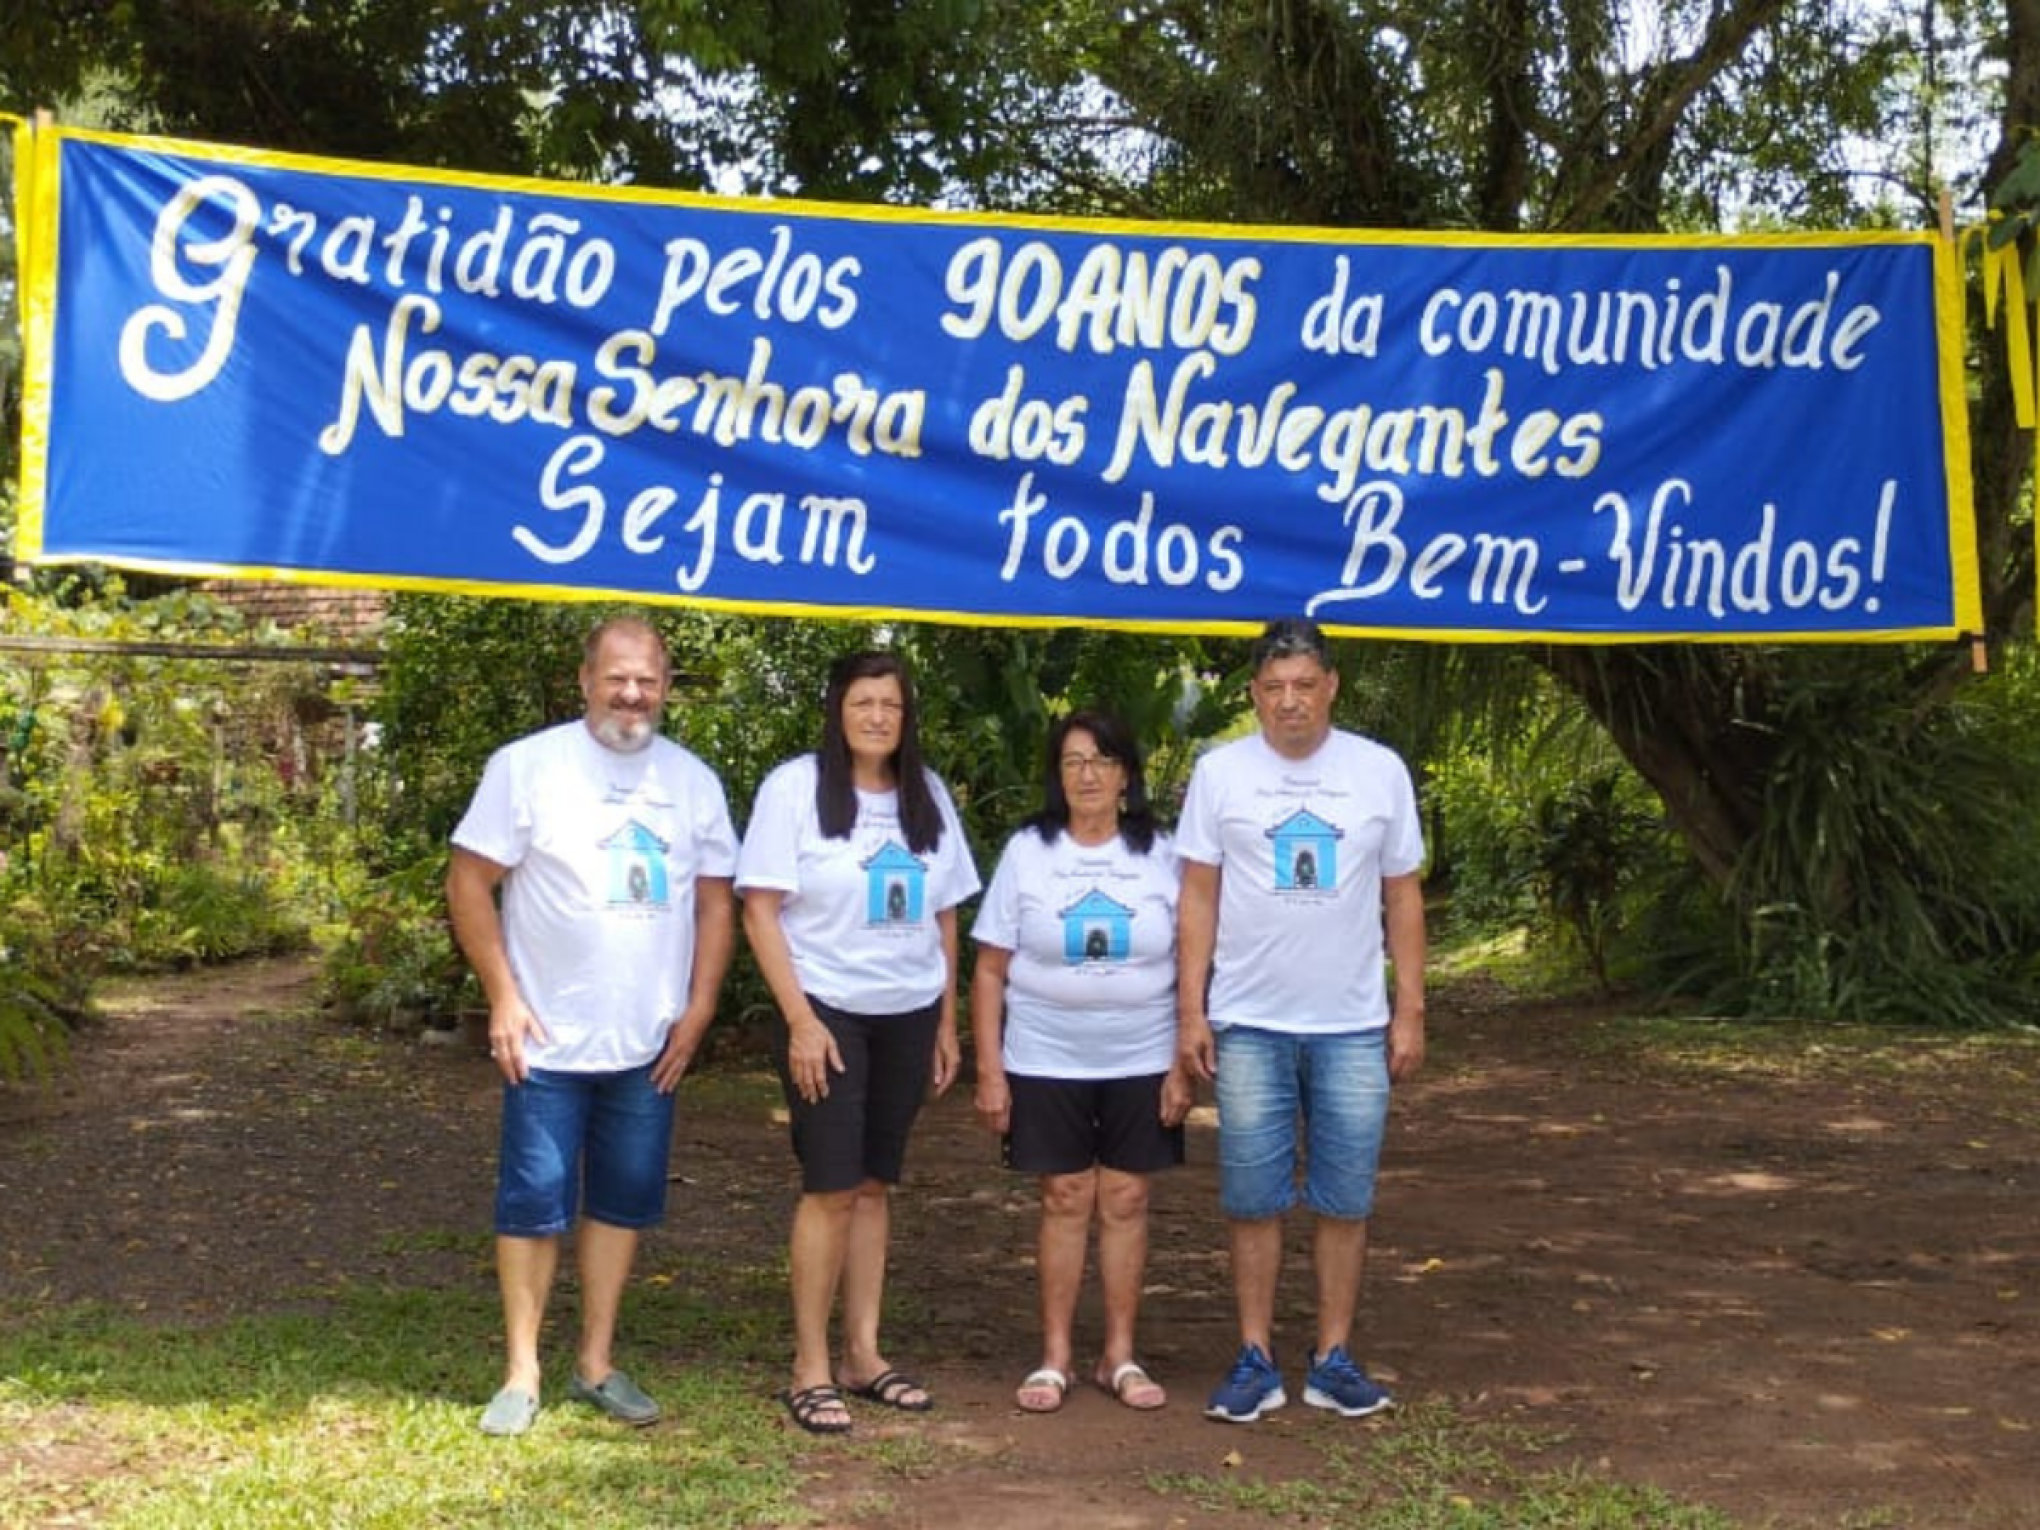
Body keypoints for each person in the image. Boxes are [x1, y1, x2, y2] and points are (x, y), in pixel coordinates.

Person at [446, 615, 738, 1438]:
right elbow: (469, 882)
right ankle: (521, 1372)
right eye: (616, 678)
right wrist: (502, 994)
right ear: (585, 681)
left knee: (620, 1203)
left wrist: (702, 1005)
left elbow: (718, 900)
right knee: (532, 1202)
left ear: (668, 688)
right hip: (544, 1039)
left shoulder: (693, 783)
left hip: (649, 1046)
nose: (632, 694)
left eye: (647, 680)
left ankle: (596, 1364)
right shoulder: (528, 768)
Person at [1175, 616, 1427, 1424]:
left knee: (1345, 1197)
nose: (1290, 703)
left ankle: (1332, 1358)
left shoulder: (1378, 771)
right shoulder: (1220, 774)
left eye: (1305, 687)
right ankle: (1254, 1357)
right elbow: (1199, 895)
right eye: (1274, 689)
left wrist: (1410, 1008)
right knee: (1252, 1197)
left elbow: (1402, 894)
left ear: (1331, 688)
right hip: (1248, 1020)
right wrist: (1191, 1009)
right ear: (1253, 694)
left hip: (1353, 1023)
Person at [737, 651, 981, 1435]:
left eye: (892, 705)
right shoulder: (794, 788)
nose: (877, 716)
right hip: (827, 1010)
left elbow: (945, 914)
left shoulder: (927, 795)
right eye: (863, 702)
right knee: (831, 1185)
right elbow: (759, 910)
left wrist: (948, 1020)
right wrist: (801, 1019)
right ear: (837, 710)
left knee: (876, 1185)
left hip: (908, 1009)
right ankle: (809, 1367)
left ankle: (863, 1356)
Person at [971, 709, 1191, 1415]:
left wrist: (1184, 1059)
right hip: (1044, 1054)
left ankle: (1119, 1355)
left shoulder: (1162, 853)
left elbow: (1194, 955)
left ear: (1126, 773)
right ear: (1057, 775)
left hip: (1142, 1053)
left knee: (1126, 1198)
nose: (1088, 774)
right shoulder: (1027, 852)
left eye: (1101, 760)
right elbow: (988, 970)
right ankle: (1056, 1357)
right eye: (1072, 762)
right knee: (1064, 1197)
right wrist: (991, 1070)